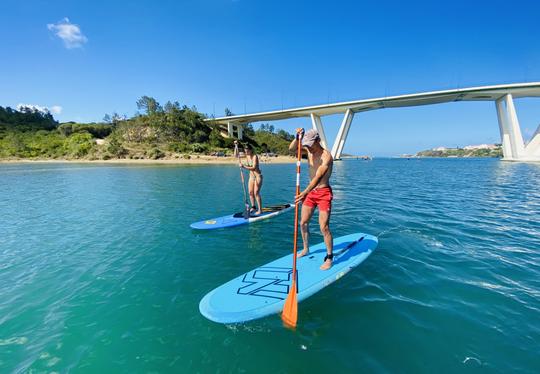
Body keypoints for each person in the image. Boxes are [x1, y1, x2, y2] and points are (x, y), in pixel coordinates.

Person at [289, 128, 334, 270]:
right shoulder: (308, 151)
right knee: (303, 223)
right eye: (306, 144)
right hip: (310, 193)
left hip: (323, 193)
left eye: (310, 144)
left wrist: (304, 192)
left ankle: (329, 256)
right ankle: (306, 248)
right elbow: (292, 149)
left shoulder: (326, 156)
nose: (307, 147)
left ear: (318, 141)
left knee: (324, 227)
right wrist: (297, 137)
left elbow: (318, 176)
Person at [239, 143, 263, 215]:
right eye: (245, 150)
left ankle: (260, 210)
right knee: (250, 192)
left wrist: (243, 166)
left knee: (256, 193)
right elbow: (236, 155)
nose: (246, 152)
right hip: (251, 177)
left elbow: (253, 167)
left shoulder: (255, 156)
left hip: (258, 177)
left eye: (247, 150)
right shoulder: (246, 155)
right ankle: (253, 207)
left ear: (251, 150)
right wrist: (235, 146)